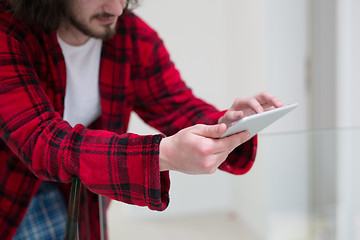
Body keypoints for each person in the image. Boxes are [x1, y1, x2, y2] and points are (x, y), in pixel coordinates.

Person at [0, 0, 285, 239]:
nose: (117, 7)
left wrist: (226, 123)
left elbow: (175, 104)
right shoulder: (8, 33)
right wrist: (165, 154)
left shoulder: (130, 34)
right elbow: (42, 141)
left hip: (75, 192)